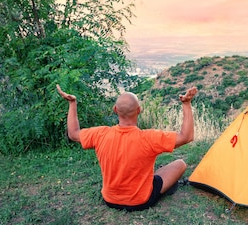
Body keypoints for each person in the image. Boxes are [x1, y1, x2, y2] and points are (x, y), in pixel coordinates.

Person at [56, 84, 198, 211]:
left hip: (110, 200)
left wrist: (72, 103)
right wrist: (186, 104)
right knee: (180, 164)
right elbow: (186, 136)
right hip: (141, 201)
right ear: (139, 110)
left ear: (115, 110)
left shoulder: (101, 134)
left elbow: (73, 134)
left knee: (156, 172)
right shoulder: (149, 138)